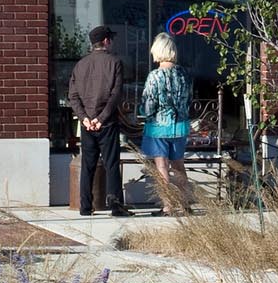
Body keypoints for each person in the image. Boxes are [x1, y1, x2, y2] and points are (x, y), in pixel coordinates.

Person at [67, 23, 127, 217]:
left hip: (87, 125)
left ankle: (85, 207)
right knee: (111, 164)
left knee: (87, 165)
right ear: (106, 41)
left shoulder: (80, 65)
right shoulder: (115, 62)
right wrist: (101, 119)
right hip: (107, 123)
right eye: (110, 39)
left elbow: (73, 96)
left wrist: (85, 119)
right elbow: (115, 95)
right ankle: (116, 206)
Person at [140, 31, 195, 214]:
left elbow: (148, 106)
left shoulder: (155, 76)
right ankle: (186, 202)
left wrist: (143, 113)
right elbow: (189, 100)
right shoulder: (184, 75)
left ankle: (168, 205)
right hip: (180, 127)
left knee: (161, 166)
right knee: (179, 165)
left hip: (158, 127)